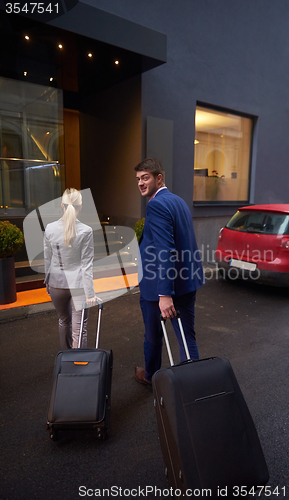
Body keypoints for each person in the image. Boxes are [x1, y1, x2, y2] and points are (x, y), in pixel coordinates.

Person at [134, 158, 204, 385]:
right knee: (187, 340)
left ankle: (151, 376)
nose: (141, 183)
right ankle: (194, 387)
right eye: (138, 179)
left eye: (146, 178)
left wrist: (165, 295)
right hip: (186, 283)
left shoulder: (156, 205)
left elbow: (165, 251)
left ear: (159, 178)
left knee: (153, 338)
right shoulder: (179, 201)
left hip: (160, 290)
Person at [44, 188, 97, 349]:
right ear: (79, 207)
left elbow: (48, 259)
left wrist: (47, 283)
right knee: (79, 328)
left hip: (56, 284)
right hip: (78, 285)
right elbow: (86, 265)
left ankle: (66, 361)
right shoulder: (86, 231)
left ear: (62, 206)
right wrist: (90, 293)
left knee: (63, 321)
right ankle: (78, 364)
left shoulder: (50, 228)